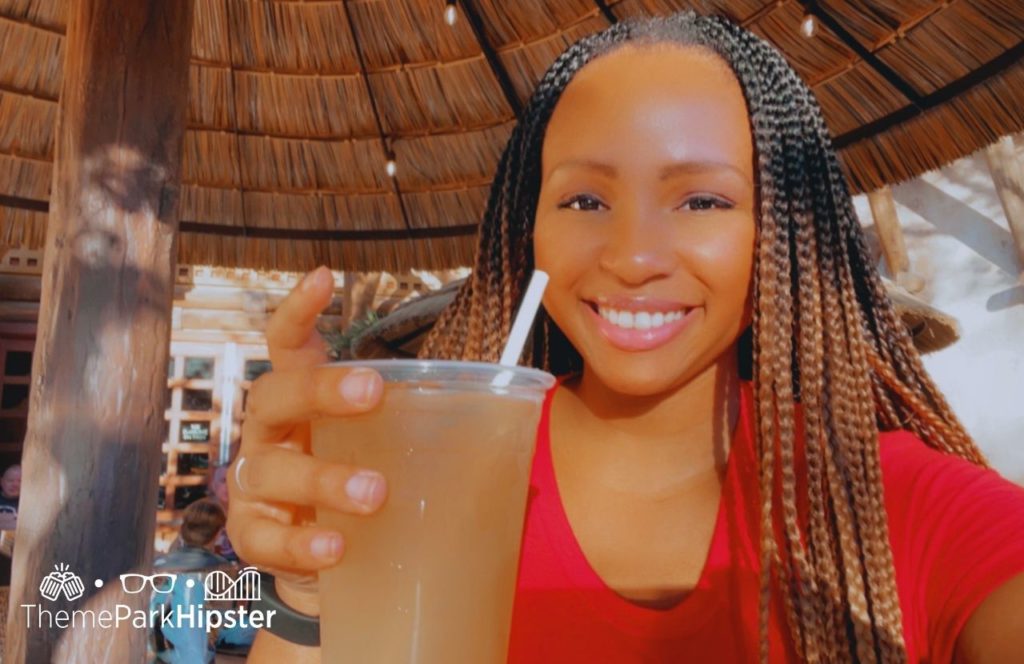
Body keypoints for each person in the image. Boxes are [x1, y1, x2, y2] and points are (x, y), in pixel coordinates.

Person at [225, 12, 1024, 664]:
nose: (634, 258)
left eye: (703, 201)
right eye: (582, 202)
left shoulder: (903, 507)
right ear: (525, 227)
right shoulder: (421, 482)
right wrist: (305, 599)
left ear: (782, 233)